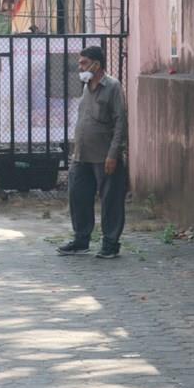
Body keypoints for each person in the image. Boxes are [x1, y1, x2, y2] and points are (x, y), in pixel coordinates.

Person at [57, 46, 128, 259]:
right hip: (82, 154)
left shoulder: (113, 86)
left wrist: (113, 154)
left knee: (111, 200)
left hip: (104, 155)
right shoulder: (86, 86)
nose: (80, 67)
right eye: (80, 63)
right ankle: (81, 240)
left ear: (97, 64)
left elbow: (120, 122)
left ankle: (110, 243)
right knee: (78, 196)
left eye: (84, 63)